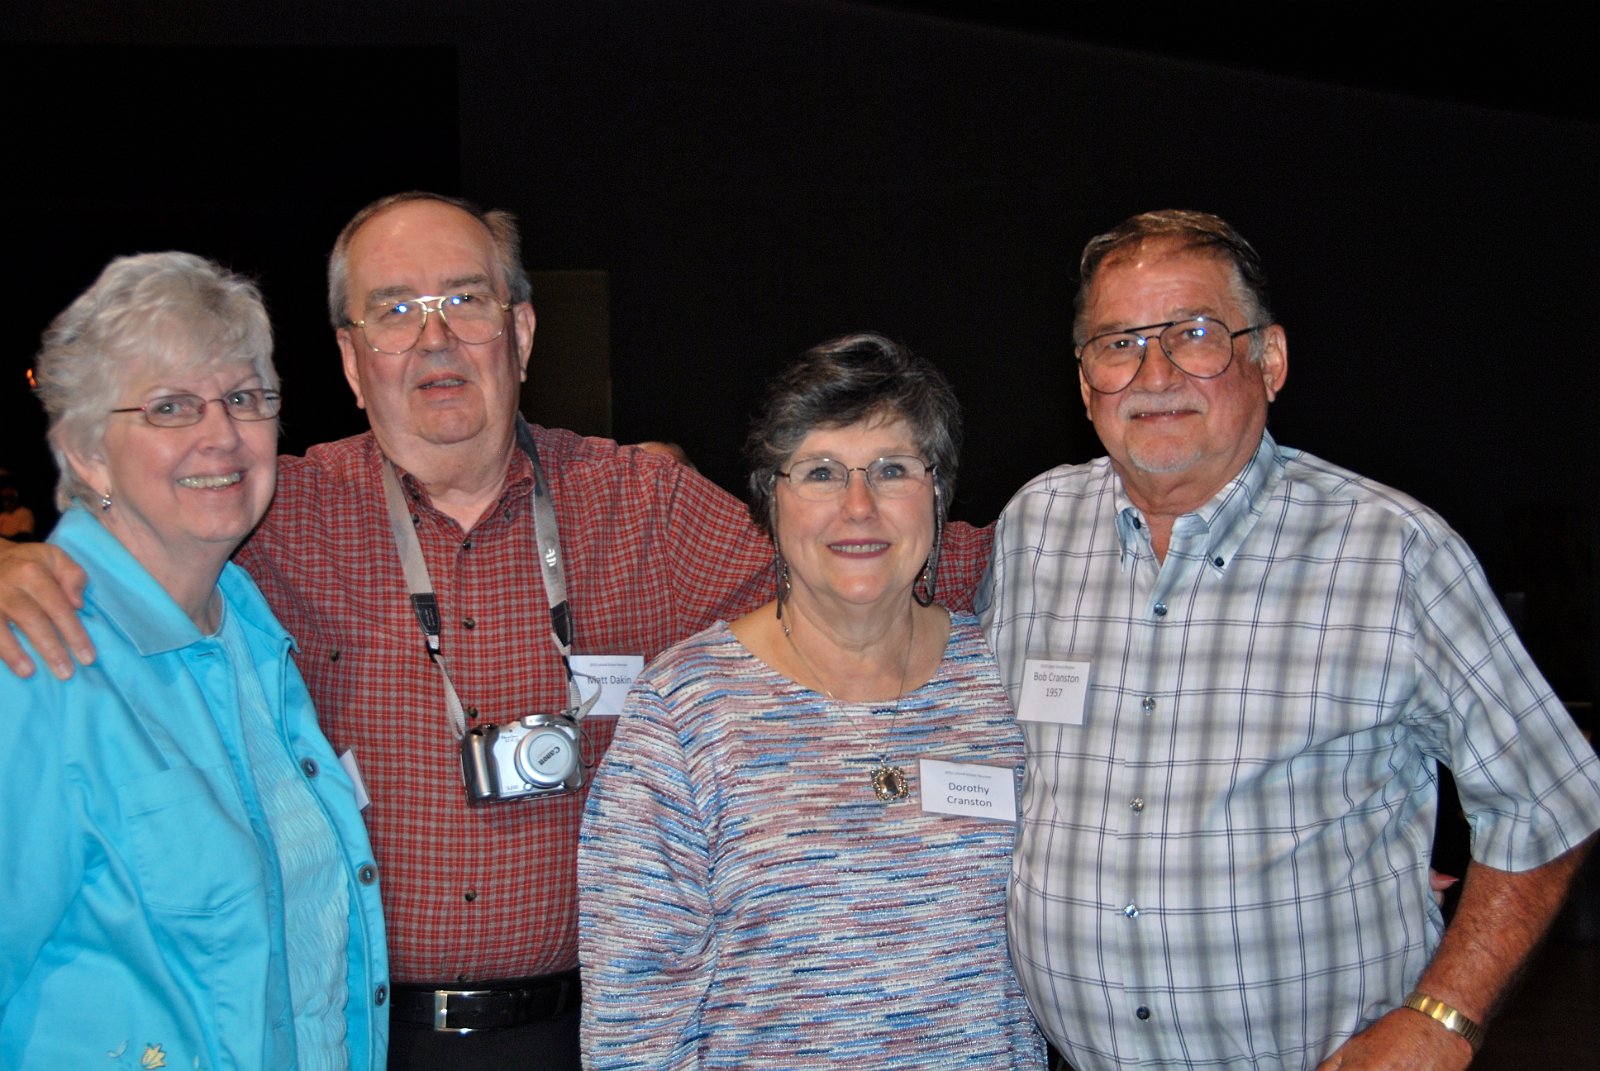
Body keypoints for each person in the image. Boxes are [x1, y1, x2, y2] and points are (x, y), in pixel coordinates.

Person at [0, 193, 992, 1069]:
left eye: (465, 301)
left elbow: (850, 548)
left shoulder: (641, 505)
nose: (435, 338)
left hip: (581, 1031)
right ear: (350, 359)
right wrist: (20, 562)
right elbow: (136, 545)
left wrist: (1092, 536)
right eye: (394, 310)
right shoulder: (269, 517)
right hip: (359, 1034)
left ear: (519, 332)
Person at [979, 209, 1600, 1071]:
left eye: (1195, 334)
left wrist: (1441, 1021)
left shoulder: (1391, 549)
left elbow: (1551, 796)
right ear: (1085, 383)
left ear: (1268, 360)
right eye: (1118, 343)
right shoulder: (1033, 529)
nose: (1153, 373)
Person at [579, 333, 1045, 1070]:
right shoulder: (684, 710)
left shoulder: (1000, 677)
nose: (858, 506)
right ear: (771, 497)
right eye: (821, 472)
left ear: (938, 492)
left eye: (891, 469)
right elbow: (634, 1012)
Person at [0, 252, 387, 1068]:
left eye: (244, 397)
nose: (222, 434)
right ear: (87, 452)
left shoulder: (251, 631)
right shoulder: (33, 660)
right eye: (170, 406)